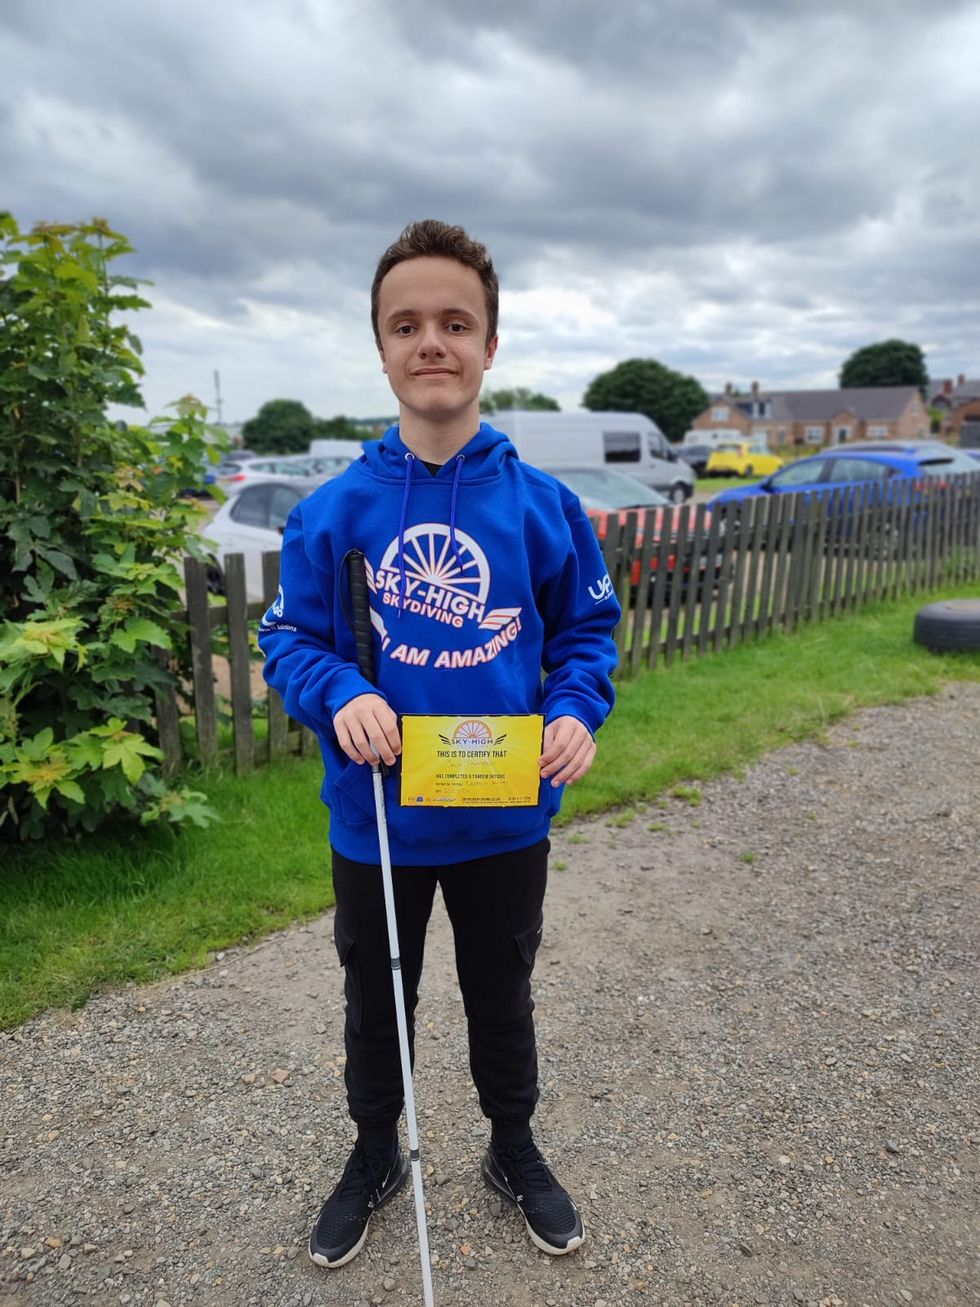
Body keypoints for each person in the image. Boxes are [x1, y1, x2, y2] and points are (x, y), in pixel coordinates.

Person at [258, 219, 620, 1270]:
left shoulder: (543, 507)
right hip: (381, 823)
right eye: (405, 324)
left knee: (500, 994)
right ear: (379, 348)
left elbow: (587, 632)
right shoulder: (336, 512)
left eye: (454, 323)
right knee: (376, 1003)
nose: (431, 342)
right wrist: (338, 691)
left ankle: (512, 1144)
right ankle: (375, 1150)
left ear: (488, 346)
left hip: (504, 815)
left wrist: (573, 710)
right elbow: (288, 636)